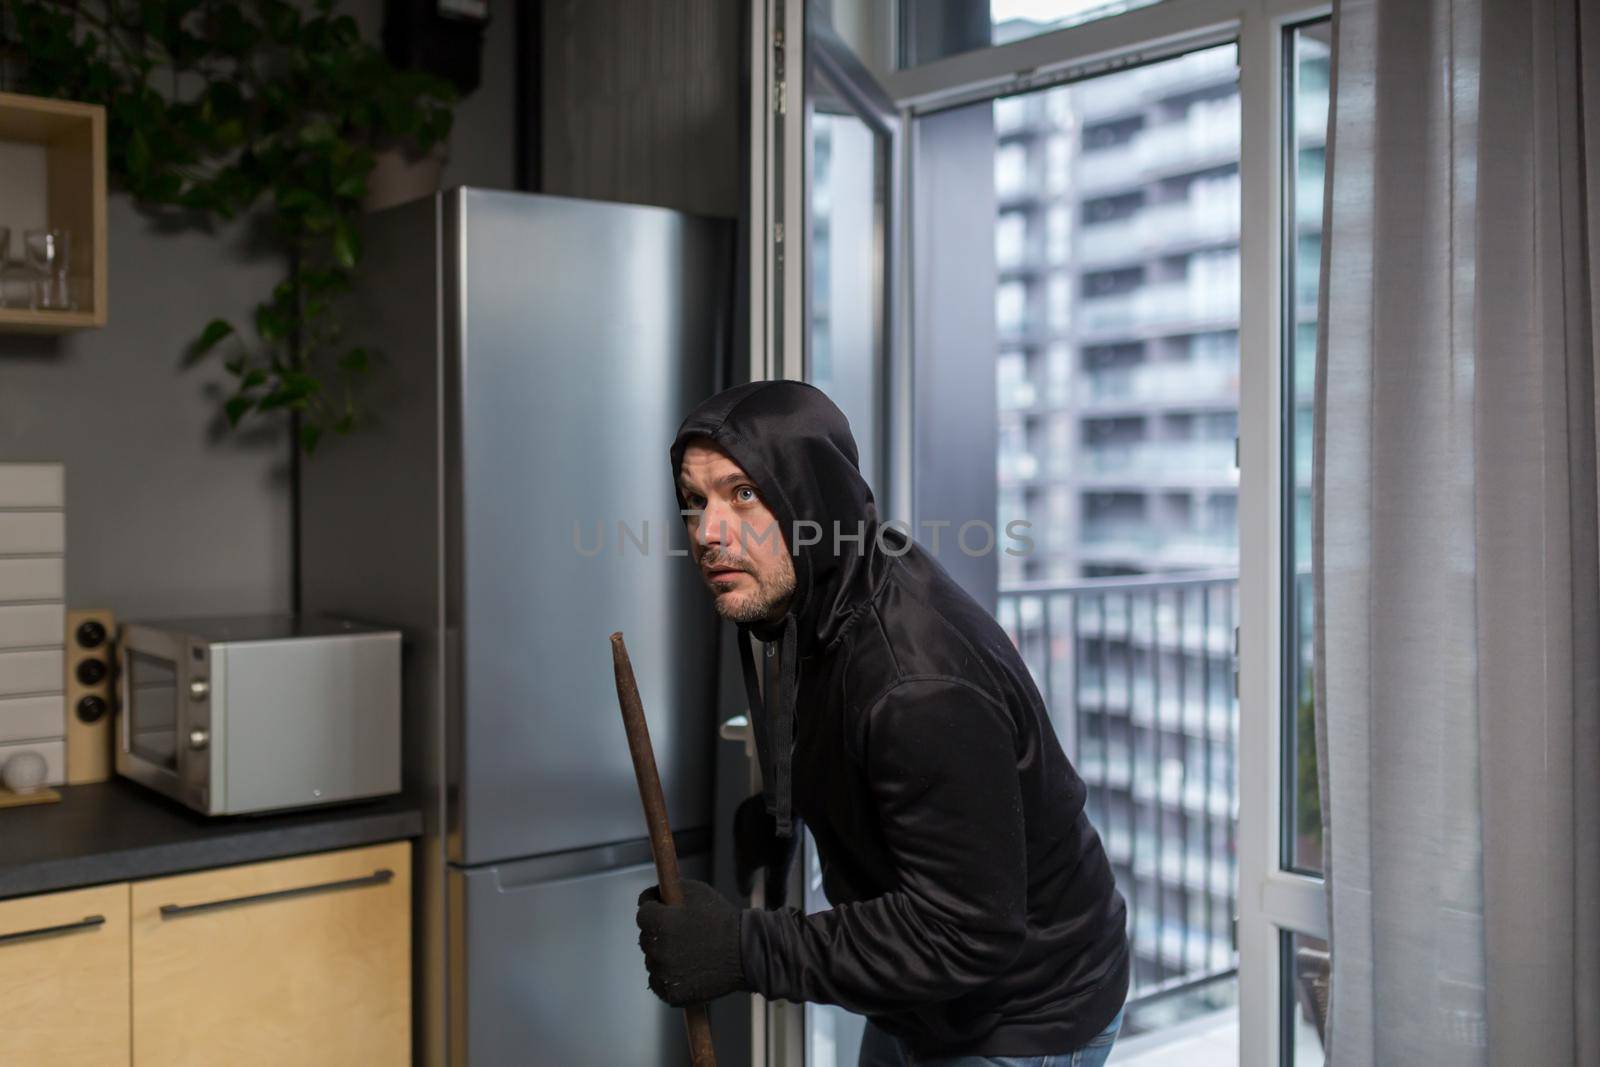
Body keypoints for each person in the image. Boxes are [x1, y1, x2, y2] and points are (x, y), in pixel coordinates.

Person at [636, 381, 1129, 1066]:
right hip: (924, 991)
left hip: (1021, 1010)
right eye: (695, 500)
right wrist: (786, 808)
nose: (707, 532)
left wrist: (743, 947)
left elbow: (966, 929)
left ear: (809, 496)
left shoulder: (914, 683)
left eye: (742, 493)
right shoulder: (831, 583)